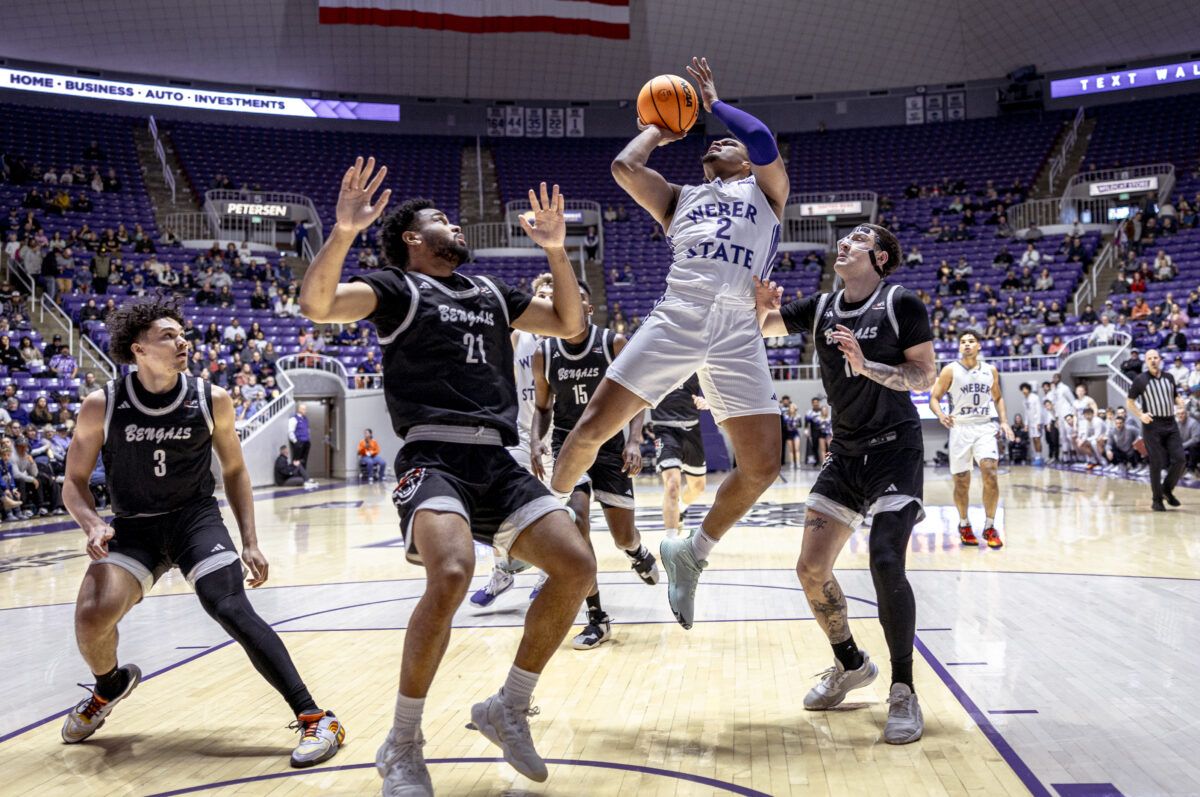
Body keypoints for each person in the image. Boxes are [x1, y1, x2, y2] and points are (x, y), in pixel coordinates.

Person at [298, 157, 595, 794]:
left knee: (577, 564)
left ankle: (507, 708)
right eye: (442, 220)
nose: (455, 225)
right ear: (413, 238)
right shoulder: (395, 288)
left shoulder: (490, 293)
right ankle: (402, 743)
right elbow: (317, 304)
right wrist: (344, 230)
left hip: (497, 458)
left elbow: (570, 325)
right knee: (453, 570)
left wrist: (557, 250)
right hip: (433, 456)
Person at [548, 57, 788, 632]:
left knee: (762, 464)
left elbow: (759, 136)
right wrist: (660, 125)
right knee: (589, 430)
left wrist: (713, 106)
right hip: (677, 315)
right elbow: (624, 167)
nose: (721, 144)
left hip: (736, 327)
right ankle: (532, 518)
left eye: (724, 143)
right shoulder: (680, 197)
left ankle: (691, 553)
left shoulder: (770, 193)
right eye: (715, 141)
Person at [58, 294, 344, 767]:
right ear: (138, 350)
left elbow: (234, 471)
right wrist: (91, 523)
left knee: (229, 606)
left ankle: (316, 717)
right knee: (91, 615)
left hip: (195, 520)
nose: (182, 341)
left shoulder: (211, 398)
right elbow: (73, 481)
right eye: (167, 336)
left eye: (182, 333)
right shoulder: (101, 404)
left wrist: (250, 539)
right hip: (134, 528)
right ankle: (109, 686)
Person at [755, 220, 937, 744]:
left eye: (860, 239)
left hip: (895, 451)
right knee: (811, 569)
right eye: (846, 238)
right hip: (846, 451)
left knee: (884, 559)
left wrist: (868, 364)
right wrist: (756, 300)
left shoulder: (901, 302)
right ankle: (851, 663)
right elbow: (761, 325)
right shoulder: (819, 307)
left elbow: (923, 374)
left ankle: (902, 689)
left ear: (880, 258)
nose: (846, 242)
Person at [531, 283, 660, 649]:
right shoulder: (544, 353)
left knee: (622, 536)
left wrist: (634, 440)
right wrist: (536, 439)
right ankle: (597, 617)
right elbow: (543, 408)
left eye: (577, 301)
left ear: (587, 309)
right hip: (568, 447)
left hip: (609, 448)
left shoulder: (613, 343)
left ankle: (636, 551)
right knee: (577, 525)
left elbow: (638, 396)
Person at [469, 274, 557, 609]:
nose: (544, 296)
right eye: (539, 293)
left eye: (551, 293)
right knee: (501, 503)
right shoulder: (518, 335)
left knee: (555, 512)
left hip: (557, 436)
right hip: (521, 433)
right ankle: (501, 571)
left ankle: (546, 574)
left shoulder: (566, 337)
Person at [929, 330, 1013, 547]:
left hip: (984, 426)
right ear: (959, 347)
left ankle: (990, 526)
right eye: (963, 341)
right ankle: (964, 523)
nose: (967, 344)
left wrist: (1003, 421)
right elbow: (934, 398)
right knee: (962, 482)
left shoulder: (990, 370)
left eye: (971, 341)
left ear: (979, 347)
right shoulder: (950, 370)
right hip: (960, 428)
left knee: (990, 472)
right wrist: (940, 414)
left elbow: (999, 397)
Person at [1126, 349, 1185, 511]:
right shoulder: (1140, 380)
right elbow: (1129, 402)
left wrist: (1180, 402)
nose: (1153, 360)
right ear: (1146, 361)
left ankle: (1166, 489)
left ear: (1160, 360)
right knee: (1156, 462)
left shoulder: (1169, 377)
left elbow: (1174, 395)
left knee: (1180, 459)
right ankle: (1156, 499)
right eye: (1150, 358)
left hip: (1170, 423)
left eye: (1155, 358)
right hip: (1152, 425)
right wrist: (1140, 415)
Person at [650, 373, 708, 536]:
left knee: (698, 488)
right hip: (665, 429)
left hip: (691, 430)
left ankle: (681, 508)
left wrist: (708, 401)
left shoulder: (695, 360)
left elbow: (716, 387)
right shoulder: (653, 359)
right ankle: (671, 543)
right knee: (672, 485)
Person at [1018, 382, 1044, 465]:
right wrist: (1026, 424)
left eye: (1025, 389)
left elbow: (1039, 410)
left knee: (1037, 439)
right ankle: (1036, 456)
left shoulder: (1035, 397)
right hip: (1030, 423)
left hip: (1036, 422)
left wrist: (1038, 422)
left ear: (1028, 389)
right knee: (1033, 440)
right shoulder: (1024, 400)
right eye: (1022, 389)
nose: (1024, 391)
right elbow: (1026, 413)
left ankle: (1040, 456)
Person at [287, 403, 311, 469]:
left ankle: (303, 476)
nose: (306, 411)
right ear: (300, 410)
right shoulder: (294, 419)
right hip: (299, 442)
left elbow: (307, 429)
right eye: (304, 409)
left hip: (306, 442)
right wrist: (295, 442)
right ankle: (295, 475)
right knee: (296, 460)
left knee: (304, 460)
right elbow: (290, 431)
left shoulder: (305, 419)